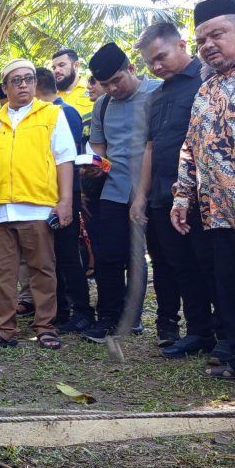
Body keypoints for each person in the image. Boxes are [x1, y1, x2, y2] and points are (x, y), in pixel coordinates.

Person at [0, 58, 75, 350]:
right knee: (2, 272)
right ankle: (4, 329)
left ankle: (45, 327)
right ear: (4, 87)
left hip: (38, 205)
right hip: (0, 209)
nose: (24, 85)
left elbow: (64, 160)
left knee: (42, 268)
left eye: (28, 79)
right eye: (16, 81)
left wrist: (65, 201)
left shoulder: (51, 114)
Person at [134, 21, 218, 358]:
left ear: (182, 45)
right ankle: (198, 332)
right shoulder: (156, 97)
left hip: (203, 196)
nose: (156, 66)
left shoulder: (208, 80)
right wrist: (141, 196)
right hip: (162, 197)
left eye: (161, 56)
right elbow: (150, 148)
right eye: (150, 62)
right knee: (180, 266)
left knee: (211, 265)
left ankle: (226, 334)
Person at [171, 0, 235, 380]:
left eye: (217, 34)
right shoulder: (206, 89)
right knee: (230, 292)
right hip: (218, 212)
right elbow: (190, 148)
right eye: (202, 40)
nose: (208, 45)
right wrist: (183, 196)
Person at [82, 42, 161, 343]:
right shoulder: (102, 105)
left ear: (131, 68)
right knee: (109, 256)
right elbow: (100, 152)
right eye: (105, 85)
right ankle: (108, 318)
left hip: (156, 191)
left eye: (117, 81)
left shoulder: (158, 91)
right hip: (115, 192)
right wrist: (94, 167)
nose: (112, 89)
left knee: (150, 257)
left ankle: (144, 319)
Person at [33, 67, 95, 333]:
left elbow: (66, 158)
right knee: (50, 256)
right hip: (43, 195)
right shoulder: (42, 114)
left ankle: (82, 310)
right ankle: (58, 309)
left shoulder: (62, 113)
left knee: (68, 255)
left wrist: (68, 198)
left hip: (63, 195)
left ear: (36, 88)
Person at [51, 47, 95, 121]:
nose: (56, 71)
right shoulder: (51, 96)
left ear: (76, 65)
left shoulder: (93, 90)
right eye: (54, 68)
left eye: (61, 65)